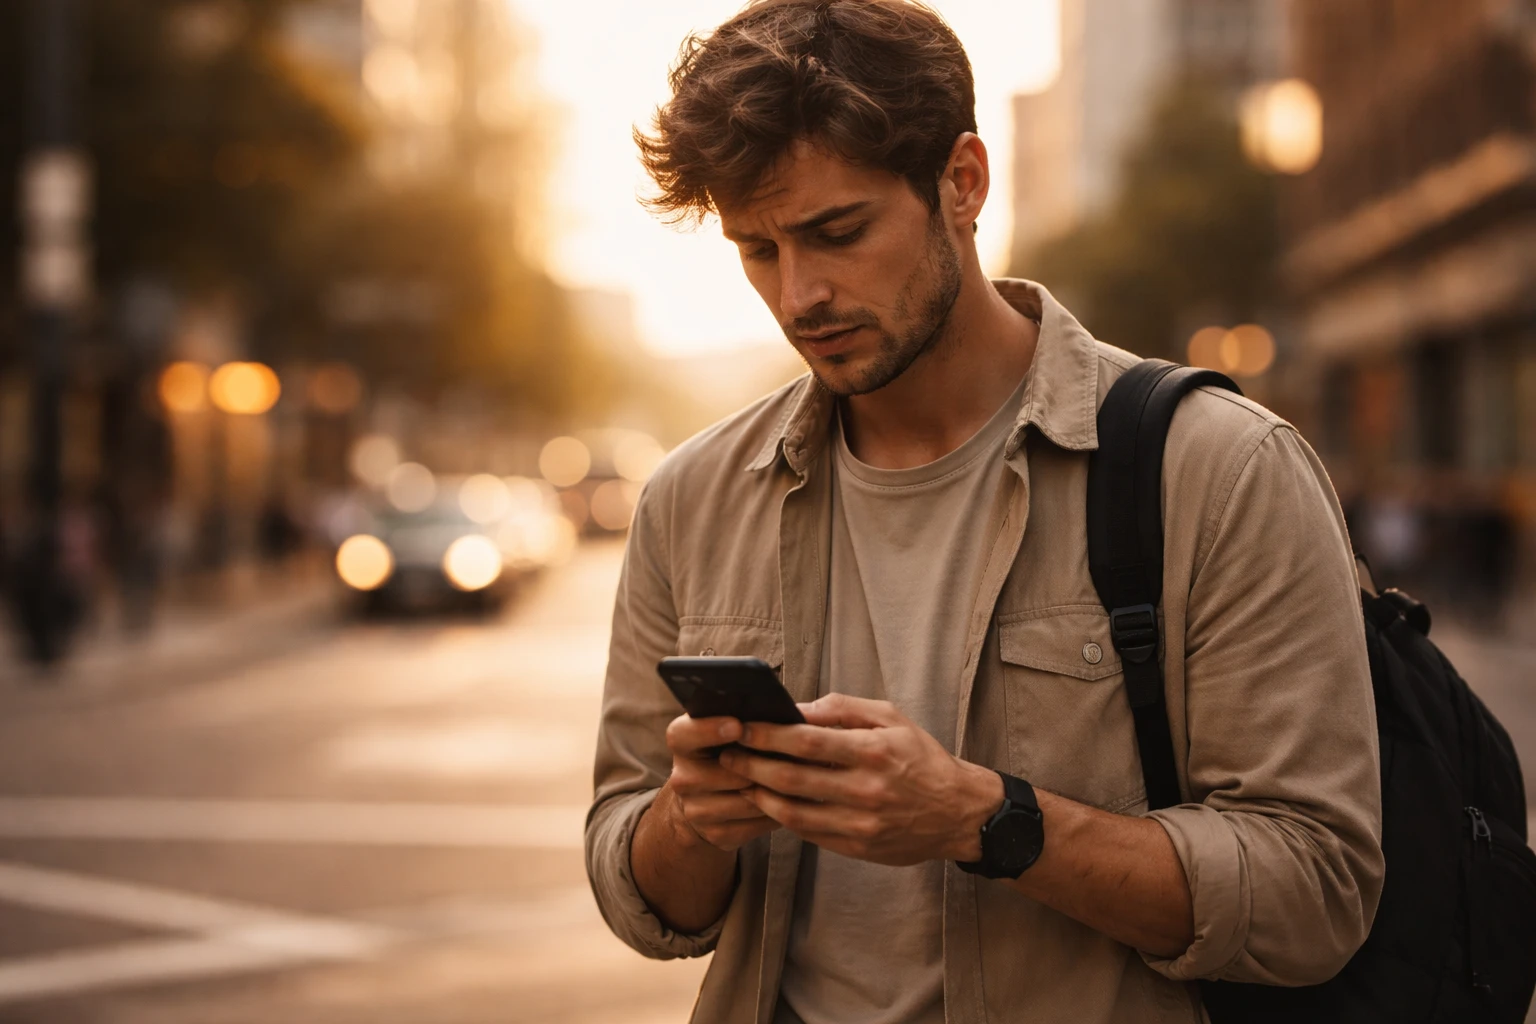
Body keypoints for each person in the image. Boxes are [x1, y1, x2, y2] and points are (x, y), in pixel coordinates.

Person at [586, 2, 1383, 1022]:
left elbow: (1316, 892)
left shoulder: (1220, 470)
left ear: (962, 182)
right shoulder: (691, 499)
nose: (799, 296)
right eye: (758, 250)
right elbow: (639, 891)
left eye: (838, 232)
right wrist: (694, 817)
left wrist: (984, 817)